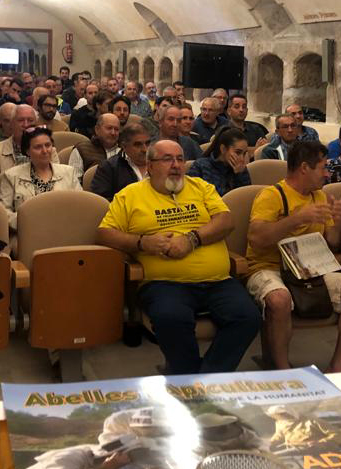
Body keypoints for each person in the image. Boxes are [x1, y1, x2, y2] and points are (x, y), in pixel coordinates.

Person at [97, 139, 261, 374]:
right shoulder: (129, 195)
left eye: (180, 159)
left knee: (248, 317)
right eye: (167, 159)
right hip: (165, 284)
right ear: (150, 166)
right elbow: (104, 234)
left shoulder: (200, 187)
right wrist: (142, 242)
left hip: (217, 281)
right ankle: (191, 377)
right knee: (171, 319)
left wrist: (192, 239)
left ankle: (204, 377)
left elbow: (226, 221)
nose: (176, 165)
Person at [246, 140, 341, 372]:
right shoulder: (271, 195)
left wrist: (339, 223)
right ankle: (283, 370)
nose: (327, 174)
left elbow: (332, 243)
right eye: (322, 168)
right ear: (304, 168)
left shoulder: (320, 196)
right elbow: (256, 239)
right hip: (269, 267)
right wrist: (297, 219)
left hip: (310, 269)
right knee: (279, 299)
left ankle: (338, 367)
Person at [0, 127, 81, 230]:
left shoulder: (68, 172)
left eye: (48, 145)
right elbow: (3, 212)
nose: (45, 151)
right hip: (27, 232)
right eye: (38, 147)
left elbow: (80, 205)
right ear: (27, 151)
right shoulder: (11, 176)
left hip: (64, 229)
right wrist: (29, 221)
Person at [0, 104, 59, 193]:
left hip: (45, 197)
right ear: (12, 124)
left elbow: (57, 182)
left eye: (30, 120)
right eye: (21, 120)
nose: (26, 125)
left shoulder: (49, 151)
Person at [90, 124, 150, 201]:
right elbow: (101, 201)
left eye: (147, 143)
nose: (145, 149)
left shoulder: (159, 163)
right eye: (138, 145)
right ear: (124, 146)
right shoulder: (108, 167)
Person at [187, 127, 251, 196]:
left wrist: (239, 175)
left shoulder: (241, 169)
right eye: (238, 152)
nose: (242, 158)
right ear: (223, 149)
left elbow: (245, 197)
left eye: (244, 153)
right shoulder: (200, 166)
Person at [70, 113, 122, 180]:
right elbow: (74, 181)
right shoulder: (81, 149)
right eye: (109, 128)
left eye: (116, 129)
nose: (113, 133)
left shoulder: (125, 151)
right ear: (97, 129)